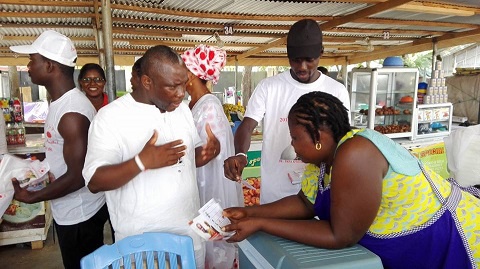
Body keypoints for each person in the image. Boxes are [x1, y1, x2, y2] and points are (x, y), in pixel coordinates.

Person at [223, 91, 480, 268]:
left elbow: (340, 236)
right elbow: (305, 203)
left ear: (319, 137)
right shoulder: (323, 161)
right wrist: (248, 213)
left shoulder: (355, 153)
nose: (292, 145)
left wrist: (261, 224)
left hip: (447, 240)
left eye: (295, 137)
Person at [82, 45, 221, 269]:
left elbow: (185, 160)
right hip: (141, 248)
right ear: (147, 82)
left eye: (184, 83)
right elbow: (94, 181)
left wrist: (204, 154)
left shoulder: (182, 110)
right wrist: (141, 162)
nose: (181, 93)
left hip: (189, 240)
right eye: (172, 86)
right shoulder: (110, 118)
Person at [9, 30, 108, 269]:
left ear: (50, 66)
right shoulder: (60, 103)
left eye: (33, 60)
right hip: (69, 210)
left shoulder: (72, 112)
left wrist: (31, 197)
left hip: (81, 215)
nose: (29, 66)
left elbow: (78, 176)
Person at [224, 19, 351, 204]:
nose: (302, 67)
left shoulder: (336, 91)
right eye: (296, 60)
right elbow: (248, 125)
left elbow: (342, 140)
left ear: (321, 53)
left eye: (309, 60)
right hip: (275, 194)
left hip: (319, 194)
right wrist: (241, 154)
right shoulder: (269, 87)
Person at [182, 44, 243, 269]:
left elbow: (211, 155)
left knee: (212, 246)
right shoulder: (193, 104)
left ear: (190, 74)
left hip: (208, 189)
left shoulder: (209, 107)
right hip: (197, 184)